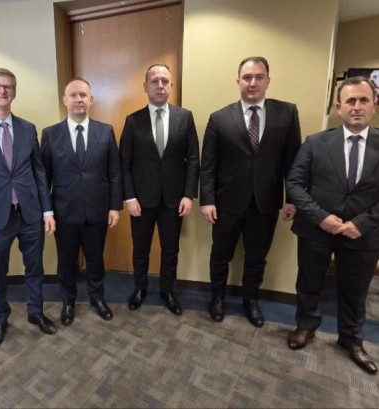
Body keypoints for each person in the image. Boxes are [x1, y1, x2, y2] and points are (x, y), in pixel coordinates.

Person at [285, 76, 379, 374]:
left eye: (363, 100)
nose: (356, 106)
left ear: (374, 105)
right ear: (338, 107)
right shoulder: (316, 142)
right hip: (316, 229)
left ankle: (351, 339)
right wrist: (321, 217)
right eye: (350, 101)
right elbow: (295, 184)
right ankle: (306, 326)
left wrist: (362, 222)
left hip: (363, 234)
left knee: (356, 289)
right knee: (309, 281)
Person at [199, 56, 301, 327]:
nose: (252, 82)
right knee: (220, 255)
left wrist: (292, 198)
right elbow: (207, 165)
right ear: (238, 82)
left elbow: (294, 162)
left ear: (268, 80)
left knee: (257, 258)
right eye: (247, 77)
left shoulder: (287, 113)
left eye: (258, 77)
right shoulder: (219, 118)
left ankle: (251, 300)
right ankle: (217, 297)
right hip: (226, 203)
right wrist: (207, 200)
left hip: (265, 202)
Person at [0, 68, 57, 348]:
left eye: (8, 87)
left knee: (35, 267)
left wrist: (48, 211)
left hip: (30, 213)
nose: (2, 91)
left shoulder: (28, 128)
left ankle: (35, 312)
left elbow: (39, 172)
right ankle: (0, 317)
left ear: (14, 93)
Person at [40, 78, 122, 326]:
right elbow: (44, 178)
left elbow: (115, 173)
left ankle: (97, 298)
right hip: (64, 213)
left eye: (83, 95)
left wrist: (114, 206)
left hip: (98, 211)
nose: (78, 100)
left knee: (96, 259)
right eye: (73, 95)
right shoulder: (50, 134)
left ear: (91, 100)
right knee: (66, 262)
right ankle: (68, 302)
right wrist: (47, 211)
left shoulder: (105, 131)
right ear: (65, 100)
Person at [119, 63, 199, 315]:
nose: (160, 85)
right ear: (146, 86)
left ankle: (168, 291)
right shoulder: (133, 121)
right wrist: (129, 197)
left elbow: (193, 159)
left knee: (171, 249)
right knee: (141, 249)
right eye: (154, 81)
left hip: (174, 199)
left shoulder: (185, 117)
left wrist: (189, 194)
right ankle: (140, 287)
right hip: (141, 200)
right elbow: (124, 162)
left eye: (165, 81)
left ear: (171, 85)